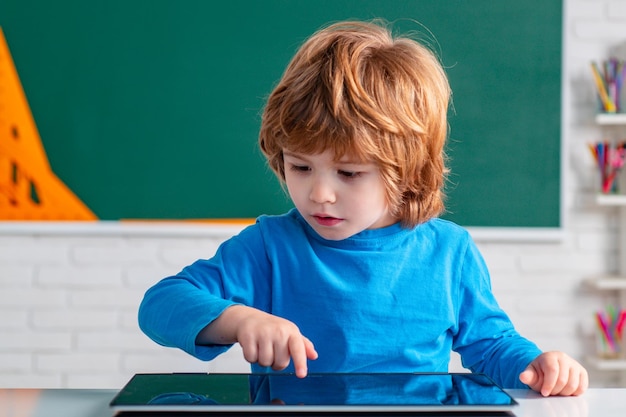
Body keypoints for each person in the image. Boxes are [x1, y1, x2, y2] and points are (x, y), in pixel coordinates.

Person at [138, 20, 588, 397]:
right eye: (300, 166)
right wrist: (239, 320)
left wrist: (539, 364)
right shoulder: (269, 247)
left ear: (408, 170)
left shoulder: (450, 252)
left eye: (349, 173)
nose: (319, 194)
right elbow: (160, 305)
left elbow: (492, 346)